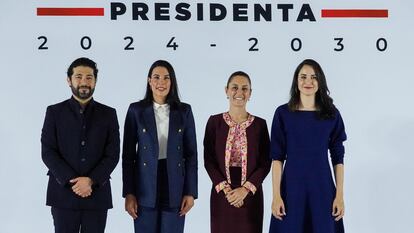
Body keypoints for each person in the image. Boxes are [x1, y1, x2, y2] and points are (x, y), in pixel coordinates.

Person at [41, 57, 120, 233]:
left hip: (97, 194)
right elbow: (48, 151)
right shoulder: (54, 112)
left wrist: (91, 180)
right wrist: (74, 181)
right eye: (78, 76)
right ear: (69, 80)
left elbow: (113, 154)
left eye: (89, 77)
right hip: (63, 195)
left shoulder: (108, 114)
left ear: (95, 81)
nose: (84, 81)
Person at [269, 59, 347, 233]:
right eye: (303, 77)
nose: (308, 81)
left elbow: (338, 158)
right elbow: (277, 158)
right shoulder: (283, 114)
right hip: (291, 190)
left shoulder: (332, 114)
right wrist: (276, 196)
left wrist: (339, 195)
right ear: (296, 82)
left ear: (320, 81)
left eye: (313, 77)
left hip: (323, 189)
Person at [122, 60, 198, 233]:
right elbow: (128, 157)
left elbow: (191, 155)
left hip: (174, 184)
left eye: (166, 78)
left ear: (172, 82)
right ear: (149, 81)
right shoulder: (136, 111)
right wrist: (129, 193)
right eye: (156, 77)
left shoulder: (184, 111)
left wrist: (190, 192)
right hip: (144, 184)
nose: (161, 82)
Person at [204, 71, 271, 233]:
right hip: (222, 193)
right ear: (226, 90)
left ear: (250, 93)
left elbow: (265, 162)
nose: (239, 93)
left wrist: (245, 190)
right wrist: (227, 190)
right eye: (234, 87)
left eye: (244, 88)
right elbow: (209, 160)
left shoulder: (260, 125)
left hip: (251, 193)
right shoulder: (214, 122)